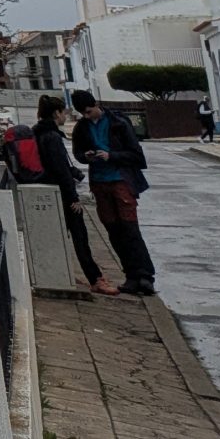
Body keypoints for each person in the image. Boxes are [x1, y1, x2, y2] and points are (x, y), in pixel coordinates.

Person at [29, 95, 117, 294]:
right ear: (56, 113)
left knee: (60, 236)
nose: (65, 117)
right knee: (80, 237)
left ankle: (64, 272)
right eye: (63, 113)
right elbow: (59, 169)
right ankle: (96, 279)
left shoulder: (39, 133)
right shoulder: (51, 137)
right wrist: (73, 197)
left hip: (50, 190)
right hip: (61, 193)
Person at [71, 89, 157, 295]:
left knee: (130, 229)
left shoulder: (118, 122)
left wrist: (112, 156)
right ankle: (130, 276)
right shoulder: (81, 128)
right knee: (114, 231)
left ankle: (144, 276)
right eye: (83, 113)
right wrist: (87, 156)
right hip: (99, 183)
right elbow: (78, 154)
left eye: (89, 111)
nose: (87, 116)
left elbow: (136, 155)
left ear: (95, 105)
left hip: (120, 180)